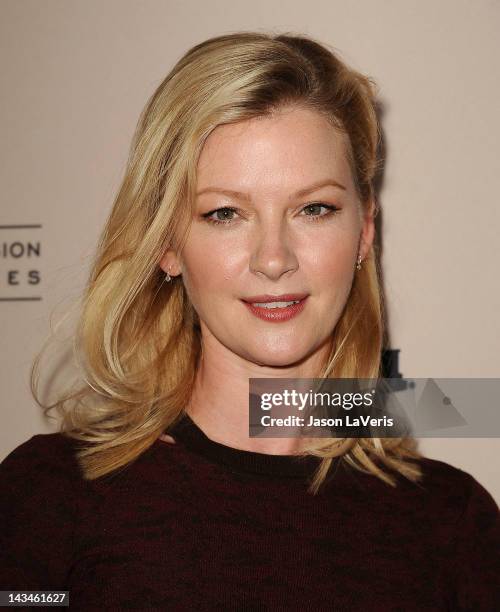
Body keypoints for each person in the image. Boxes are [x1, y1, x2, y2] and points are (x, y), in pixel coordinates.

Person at [1, 31, 498, 611]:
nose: (273, 259)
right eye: (225, 213)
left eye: (314, 209)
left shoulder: (452, 522)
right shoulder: (51, 494)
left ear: (364, 232)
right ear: (167, 244)